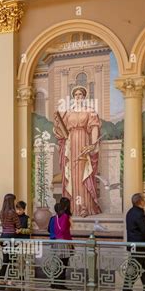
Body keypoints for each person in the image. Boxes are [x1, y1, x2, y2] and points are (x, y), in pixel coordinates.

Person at [53, 86, 101, 217]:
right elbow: (62, 130)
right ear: (73, 97)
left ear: (84, 97)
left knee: (83, 174)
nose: (78, 96)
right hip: (71, 145)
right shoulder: (68, 112)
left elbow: (94, 127)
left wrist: (93, 144)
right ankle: (73, 207)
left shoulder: (90, 111)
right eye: (76, 94)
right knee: (73, 174)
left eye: (81, 94)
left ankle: (85, 207)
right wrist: (57, 121)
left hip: (84, 143)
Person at [123, 193, 145, 291]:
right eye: (143, 200)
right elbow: (144, 231)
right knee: (139, 268)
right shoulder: (140, 214)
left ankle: (130, 289)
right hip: (140, 245)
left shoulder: (130, 212)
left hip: (133, 245)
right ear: (140, 202)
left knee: (138, 268)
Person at [0, 193, 21, 290]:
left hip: (3, 236)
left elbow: (3, 225)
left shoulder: (1, 212)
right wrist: (18, 229)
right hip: (11, 237)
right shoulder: (13, 212)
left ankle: (1, 279)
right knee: (12, 259)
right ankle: (10, 280)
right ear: (11, 201)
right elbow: (18, 225)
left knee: (5, 259)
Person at [51, 197, 73, 290]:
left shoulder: (54, 217)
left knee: (57, 263)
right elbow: (64, 230)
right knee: (63, 263)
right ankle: (60, 283)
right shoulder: (65, 216)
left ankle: (55, 282)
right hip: (64, 242)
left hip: (56, 241)